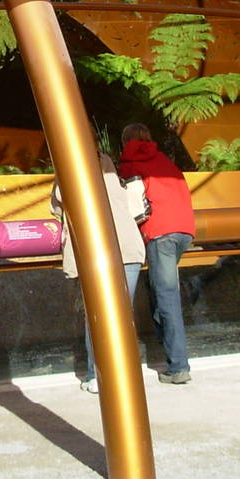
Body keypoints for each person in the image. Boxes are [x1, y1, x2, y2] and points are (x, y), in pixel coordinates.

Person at [50, 150, 147, 393]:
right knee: (123, 316)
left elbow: (57, 206)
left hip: (95, 252)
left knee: (97, 316)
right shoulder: (109, 167)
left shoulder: (68, 168)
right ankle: (124, 375)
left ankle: (97, 375)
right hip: (127, 248)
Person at [116, 123, 196, 384]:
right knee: (160, 293)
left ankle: (178, 367)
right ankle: (168, 355)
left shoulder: (129, 161)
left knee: (167, 299)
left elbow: (128, 202)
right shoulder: (165, 161)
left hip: (159, 234)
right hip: (184, 231)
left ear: (125, 140)